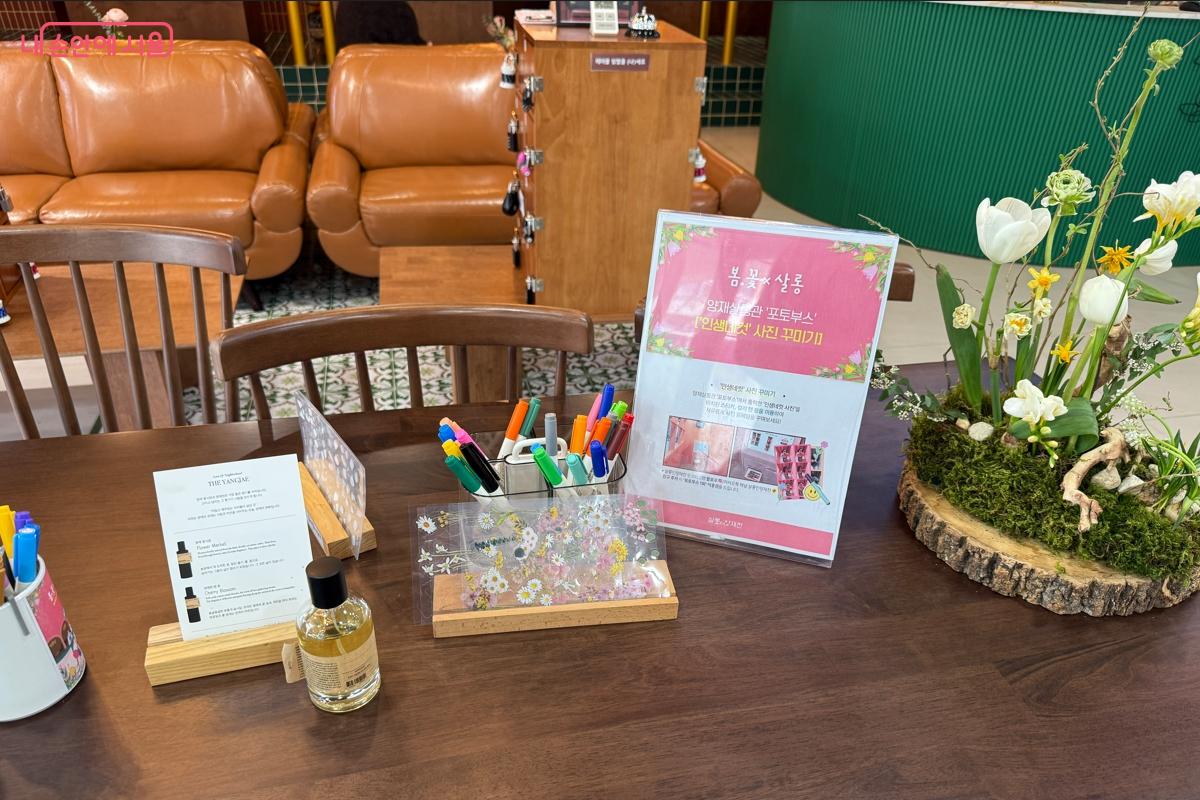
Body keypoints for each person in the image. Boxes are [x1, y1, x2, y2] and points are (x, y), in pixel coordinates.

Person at [334, 1, 425, 47]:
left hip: (352, 75)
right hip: (386, 75)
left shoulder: (345, 5)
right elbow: (415, 55)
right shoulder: (395, 8)